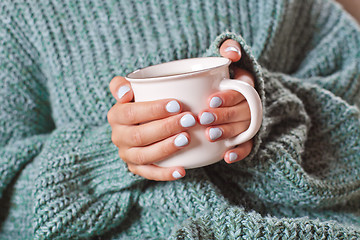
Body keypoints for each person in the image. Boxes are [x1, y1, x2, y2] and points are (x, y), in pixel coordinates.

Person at [0, 0, 359, 239]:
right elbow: (8, 202)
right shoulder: (23, 14)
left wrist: (268, 108)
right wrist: (105, 159)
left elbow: (351, 124)